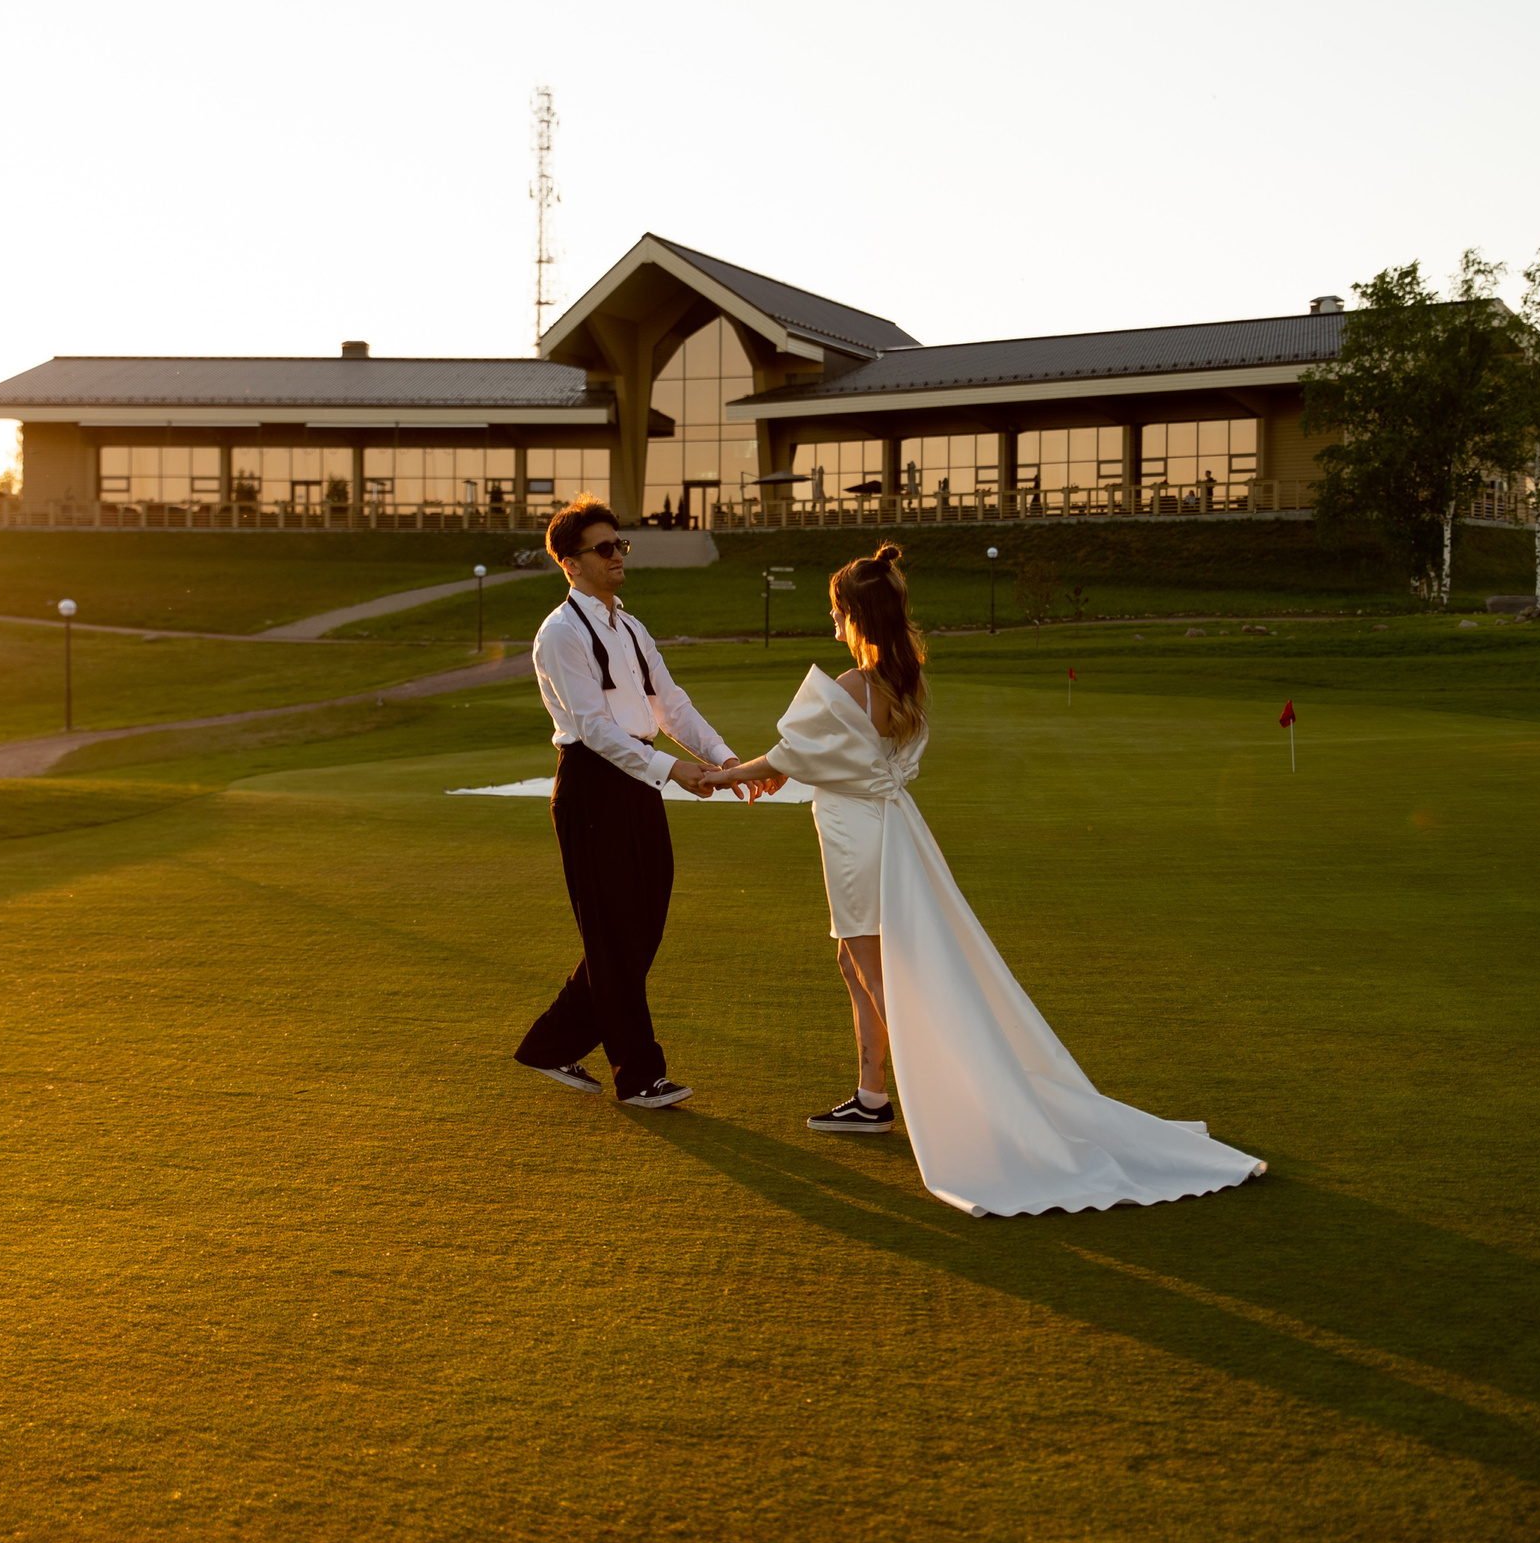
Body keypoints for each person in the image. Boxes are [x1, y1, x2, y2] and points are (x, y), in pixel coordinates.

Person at [704, 546, 1266, 1217]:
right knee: (857, 966)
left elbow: (796, 754)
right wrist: (770, 772)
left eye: (835, 609)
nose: (830, 620)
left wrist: (725, 774)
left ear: (854, 614)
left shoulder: (857, 685)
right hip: (885, 831)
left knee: (876, 970)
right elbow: (825, 759)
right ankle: (872, 1094)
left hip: (860, 840)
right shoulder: (899, 678)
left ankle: (944, 1096)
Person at [513, 495, 757, 1109]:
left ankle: (550, 1045)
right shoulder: (560, 634)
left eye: (620, 545)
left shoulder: (630, 626)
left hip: (635, 780)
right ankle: (639, 1074)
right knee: (615, 931)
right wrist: (674, 770)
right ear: (569, 563)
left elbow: (670, 704)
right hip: (592, 785)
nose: (617, 555)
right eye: (603, 548)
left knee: (641, 927)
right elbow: (593, 728)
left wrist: (725, 760)